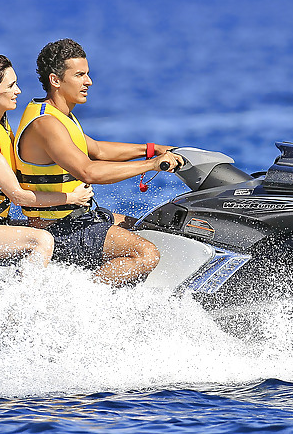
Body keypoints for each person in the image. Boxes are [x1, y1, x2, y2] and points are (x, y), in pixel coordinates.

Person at [14, 38, 182, 286]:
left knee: (151, 227)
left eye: (88, 74)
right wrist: (152, 165)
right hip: (60, 229)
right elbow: (88, 171)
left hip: (80, 218)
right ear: (55, 80)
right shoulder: (45, 124)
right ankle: (87, 303)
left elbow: (98, 150)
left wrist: (152, 149)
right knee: (146, 253)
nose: (88, 82)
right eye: (80, 75)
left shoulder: (60, 116)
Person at [0, 55, 93, 268]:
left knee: (48, 230)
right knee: (42, 240)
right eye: (11, 85)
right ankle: (24, 300)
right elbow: (18, 196)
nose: (18, 91)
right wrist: (71, 197)